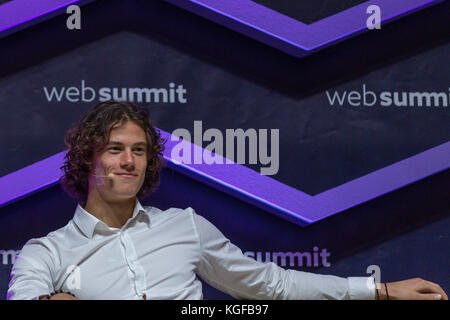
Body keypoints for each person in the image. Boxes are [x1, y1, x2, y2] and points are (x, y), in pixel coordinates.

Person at [7, 101, 448, 300]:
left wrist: (380, 292)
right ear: (87, 158)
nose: (129, 161)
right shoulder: (47, 254)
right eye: (114, 148)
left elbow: (271, 286)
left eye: (138, 151)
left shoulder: (184, 226)